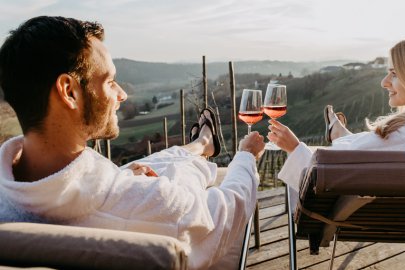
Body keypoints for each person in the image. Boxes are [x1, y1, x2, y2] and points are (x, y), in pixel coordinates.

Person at [0, 16, 265, 269]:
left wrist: (124, 175)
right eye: (110, 82)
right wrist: (246, 157)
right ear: (69, 92)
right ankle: (202, 146)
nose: (122, 94)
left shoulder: (9, 198)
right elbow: (223, 215)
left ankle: (200, 145)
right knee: (178, 173)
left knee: (149, 165)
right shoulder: (143, 204)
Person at [268, 35, 405, 192]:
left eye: (394, 74)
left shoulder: (395, 138)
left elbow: (322, 176)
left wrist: (294, 148)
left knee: (341, 146)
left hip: (372, 218)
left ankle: (340, 136)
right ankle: (342, 136)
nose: (384, 82)